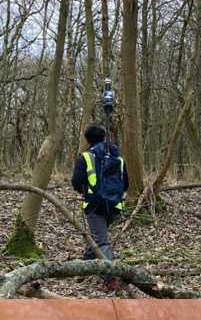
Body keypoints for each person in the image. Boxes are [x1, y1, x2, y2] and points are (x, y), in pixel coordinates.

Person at [71, 125, 128, 292]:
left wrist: (85, 189)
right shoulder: (118, 157)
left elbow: (76, 182)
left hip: (94, 205)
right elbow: (126, 183)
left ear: (87, 139)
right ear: (103, 137)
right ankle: (82, 267)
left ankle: (111, 279)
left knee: (101, 241)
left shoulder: (86, 157)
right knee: (97, 236)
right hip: (115, 206)